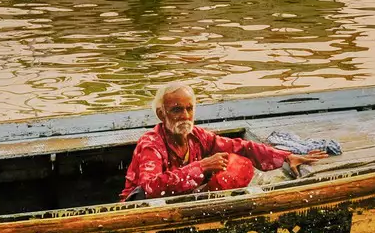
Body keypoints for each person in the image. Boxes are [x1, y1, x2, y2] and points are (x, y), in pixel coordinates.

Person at [121, 83, 320, 200]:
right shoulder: (151, 144)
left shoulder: (197, 136)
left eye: (189, 109)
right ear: (161, 114)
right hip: (140, 209)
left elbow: (239, 146)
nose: (185, 115)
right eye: (176, 110)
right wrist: (201, 167)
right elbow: (149, 188)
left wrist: (286, 156)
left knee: (239, 162)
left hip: (182, 202)